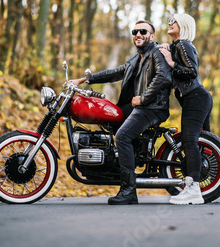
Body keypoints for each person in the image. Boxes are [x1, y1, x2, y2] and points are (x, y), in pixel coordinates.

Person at [69, 20, 172, 205]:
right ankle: (115, 167)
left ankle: (129, 191)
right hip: (138, 107)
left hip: (152, 107)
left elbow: (163, 77)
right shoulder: (135, 58)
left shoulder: (156, 53)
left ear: (152, 36)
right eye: (135, 31)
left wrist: (143, 98)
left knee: (123, 136)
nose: (138, 34)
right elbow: (115, 73)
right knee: (109, 119)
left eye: (143, 31)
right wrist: (84, 79)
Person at [159, 13, 220, 205]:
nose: (170, 23)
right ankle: (217, 191)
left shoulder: (183, 44)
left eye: (174, 21)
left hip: (195, 98)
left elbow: (191, 71)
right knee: (204, 143)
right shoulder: (179, 46)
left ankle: (194, 190)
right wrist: (167, 48)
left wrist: (171, 62)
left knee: (190, 142)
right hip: (199, 98)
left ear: (183, 25)